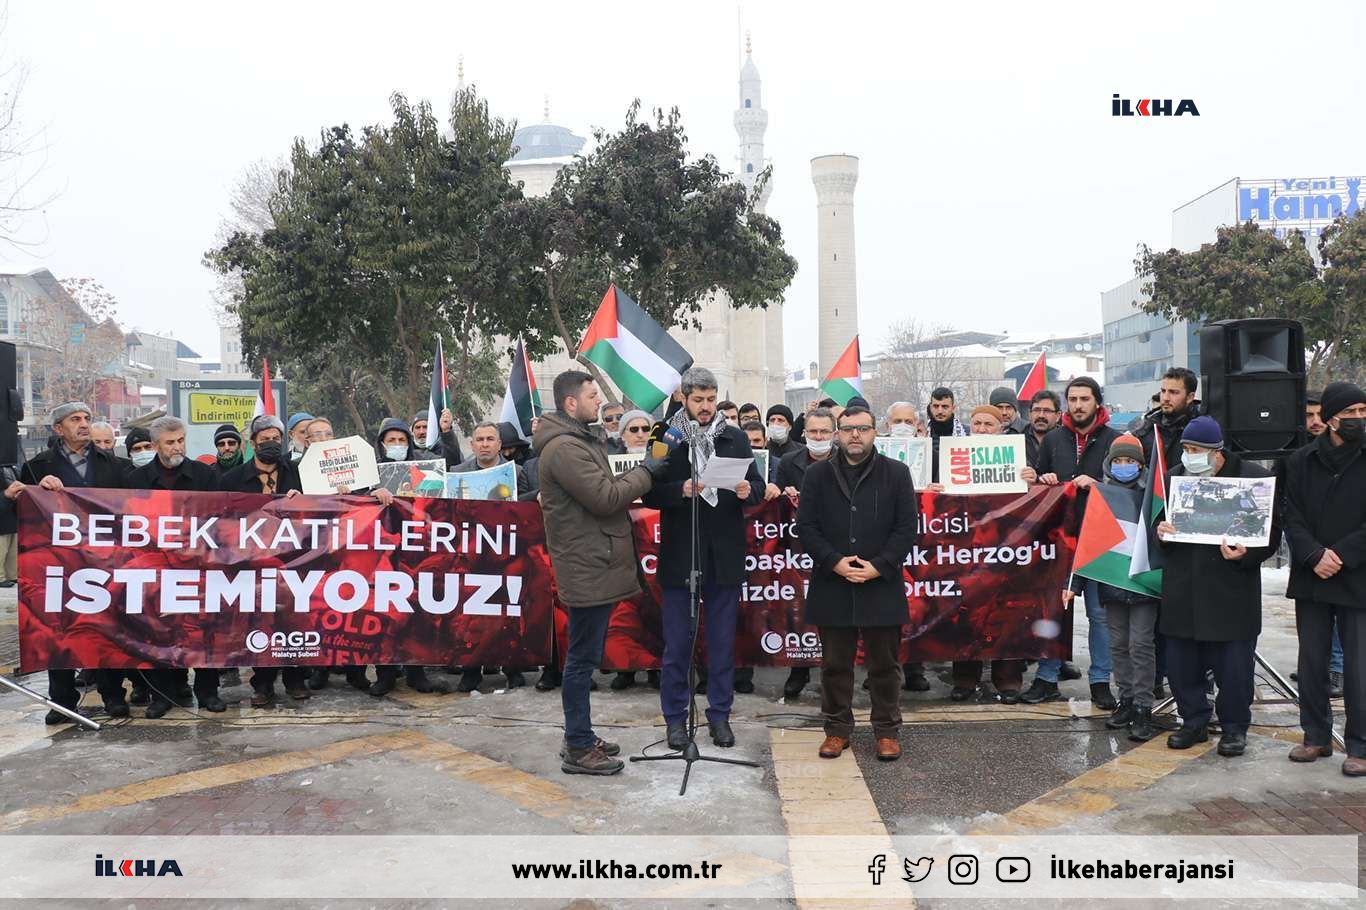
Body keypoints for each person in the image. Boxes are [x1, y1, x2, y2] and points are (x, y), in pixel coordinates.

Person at [536, 369, 667, 775]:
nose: (600, 401)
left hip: (594, 561)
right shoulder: (564, 449)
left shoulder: (578, 441)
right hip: (586, 566)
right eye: (593, 396)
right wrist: (649, 468)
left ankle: (579, 734)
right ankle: (577, 746)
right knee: (581, 659)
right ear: (571, 403)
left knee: (585, 654)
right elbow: (606, 497)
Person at [643, 367, 764, 751]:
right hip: (682, 555)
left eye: (712, 400)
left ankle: (720, 716)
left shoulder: (735, 436)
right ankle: (676, 720)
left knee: (722, 641)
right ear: (683, 397)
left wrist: (749, 490)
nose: (707, 407)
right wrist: (679, 488)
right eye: (699, 400)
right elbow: (648, 492)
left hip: (724, 555)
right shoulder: (665, 436)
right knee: (678, 643)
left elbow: (758, 487)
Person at [796, 405, 917, 761]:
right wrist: (834, 562)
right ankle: (836, 730)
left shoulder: (896, 473)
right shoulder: (817, 475)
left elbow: (906, 529)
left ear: (874, 432)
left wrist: (879, 567)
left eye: (862, 429)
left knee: (884, 666)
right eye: (848, 428)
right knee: (835, 665)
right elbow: (806, 527)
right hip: (833, 582)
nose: (855, 435)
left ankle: (887, 731)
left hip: (881, 582)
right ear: (837, 432)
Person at [1156, 415, 1280, 757]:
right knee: (1182, 666)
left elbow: (1271, 535)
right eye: (1185, 449)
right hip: (1184, 589)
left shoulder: (1254, 478)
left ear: (1217, 452)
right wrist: (1161, 533)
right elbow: (1158, 524)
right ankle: (1193, 721)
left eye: (1196, 450)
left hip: (1231, 591)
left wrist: (1246, 554)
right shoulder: (1175, 478)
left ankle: (1234, 728)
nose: (1189, 455)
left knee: (1234, 669)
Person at [7, 402, 132, 722]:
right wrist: (35, 491)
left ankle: (113, 696)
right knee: (58, 631)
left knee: (107, 631)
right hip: (57, 567)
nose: (84, 424)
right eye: (75, 419)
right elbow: (28, 515)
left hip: (105, 562)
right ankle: (62, 700)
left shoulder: (115, 465)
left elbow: (131, 510)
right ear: (58, 429)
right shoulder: (37, 466)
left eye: (87, 418)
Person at [1283, 382, 1366, 775]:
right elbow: (1290, 515)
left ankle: (1360, 745)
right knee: (1312, 662)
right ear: (1332, 417)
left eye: (1364, 412)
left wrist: (1343, 555)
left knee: (1359, 667)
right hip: (1313, 574)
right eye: (1351, 413)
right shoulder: (1300, 461)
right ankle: (1315, 736)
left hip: (1357, 576)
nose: (1358, 420)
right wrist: (1315, 555)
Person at [1024, 376, 1119, 709]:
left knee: (1099, 614)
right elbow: (1035, 486)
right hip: (1059, 538)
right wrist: (1042, 479)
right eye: (1073, 399)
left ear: (1097, 402)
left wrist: (1100, 484)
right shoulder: (1053, 440)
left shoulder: (1115, 439)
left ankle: (1100, 681)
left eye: (1085, 399)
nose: (1078, 405)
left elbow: (1130, 485)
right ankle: (1047, 678)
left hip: (1099, 539)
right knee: (1054, 609)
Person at [126, 416, 226, 717]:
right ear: (156, 445)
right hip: (156, 568)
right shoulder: (136, 480)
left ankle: (208, 691)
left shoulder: (205, 476)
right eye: (170, 442)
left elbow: (221, 517)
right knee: (160, 629)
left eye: (181, 440)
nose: (177, 446)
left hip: (199, 565)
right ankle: (163, 695)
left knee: (205, 629)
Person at [218, 415, 318, 706]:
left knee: (293, 621)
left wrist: (305, 500)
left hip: (295, 561)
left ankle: (296, 680)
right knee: (259, 623)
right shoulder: (231, 480)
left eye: (276, 439)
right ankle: (262, 684)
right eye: (265, 440)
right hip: (251, 564)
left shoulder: (300, 474)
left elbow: (327, 507)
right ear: (252, 444)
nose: (271, 445)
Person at [1071, 434, 1162, 741]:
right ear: (1110, 463)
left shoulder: (1153, 498)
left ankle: (1143, 707)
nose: (1125, 466)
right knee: (1118, 646)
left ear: (1141, 465)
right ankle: (1125, 700)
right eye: (1119, 461)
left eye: (1131, 461)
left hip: (1143, 586)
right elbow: (1089, 544)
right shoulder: (1102, 496)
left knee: (1141, 646)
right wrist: (1075, 582)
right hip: (1111, 585)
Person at [948, 406, 1027, 702]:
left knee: (1006, 613)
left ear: (1000, 428)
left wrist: (1029, 479)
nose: (981, 429)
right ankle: (965, 679)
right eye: (977, 423)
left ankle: (1008, 680)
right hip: (966, 547)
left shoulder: (1016, 457)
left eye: (988, 424)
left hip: (1006, 546)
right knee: (966, 612)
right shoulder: (952, 457)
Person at [368, 418, 446, 696]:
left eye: (402, 440)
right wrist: (371, 492)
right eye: (392, 441)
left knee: (416, 611)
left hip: (417, 551)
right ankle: (385, 674)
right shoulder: (369, 471)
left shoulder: (424, 469)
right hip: (381, 552)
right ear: (381, 444)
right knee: (383, 614)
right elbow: (351, 500)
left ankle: (416, 672)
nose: (398, 445)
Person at [768, 407, 840, 700]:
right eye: (813, 432)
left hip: (835, 545)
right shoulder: (788, 461)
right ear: (804, 433)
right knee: (798, 611)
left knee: (835, 619)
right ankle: (799, 670)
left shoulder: (845, 459)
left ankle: (834, 676)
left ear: (834, 434)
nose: (819, 436)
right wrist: (780, 492)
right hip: (797, 548)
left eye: (824, 431)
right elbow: (778, 502)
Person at [1292, 389, 1342, 697]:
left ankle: (1337, 668)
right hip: (1308, 551)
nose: (1314, 422)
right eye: (1307, 416)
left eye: (1319, 415)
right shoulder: (1297, 457)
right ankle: (1316, 666)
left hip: (1341, 553)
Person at [1135, 367, 1201, 474]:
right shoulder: (1146, 429)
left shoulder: (1203, 430)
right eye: (1163, 391)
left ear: (1190, 397)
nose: (1165, 398)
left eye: (1173, 392)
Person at [925, 387, 966, 483]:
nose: (940, 411)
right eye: (936, 406)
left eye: (945, 407)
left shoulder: (966, 433)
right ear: (930, 407)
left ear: (953, 408)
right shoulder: (921, 433)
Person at [1025, 389, 1061, 468]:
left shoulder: (1068, 440)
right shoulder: (1017, 439)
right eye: (1036, 410)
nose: (1041, 415)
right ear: (1029, 414)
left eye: (1047, 411)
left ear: (1058, 416)